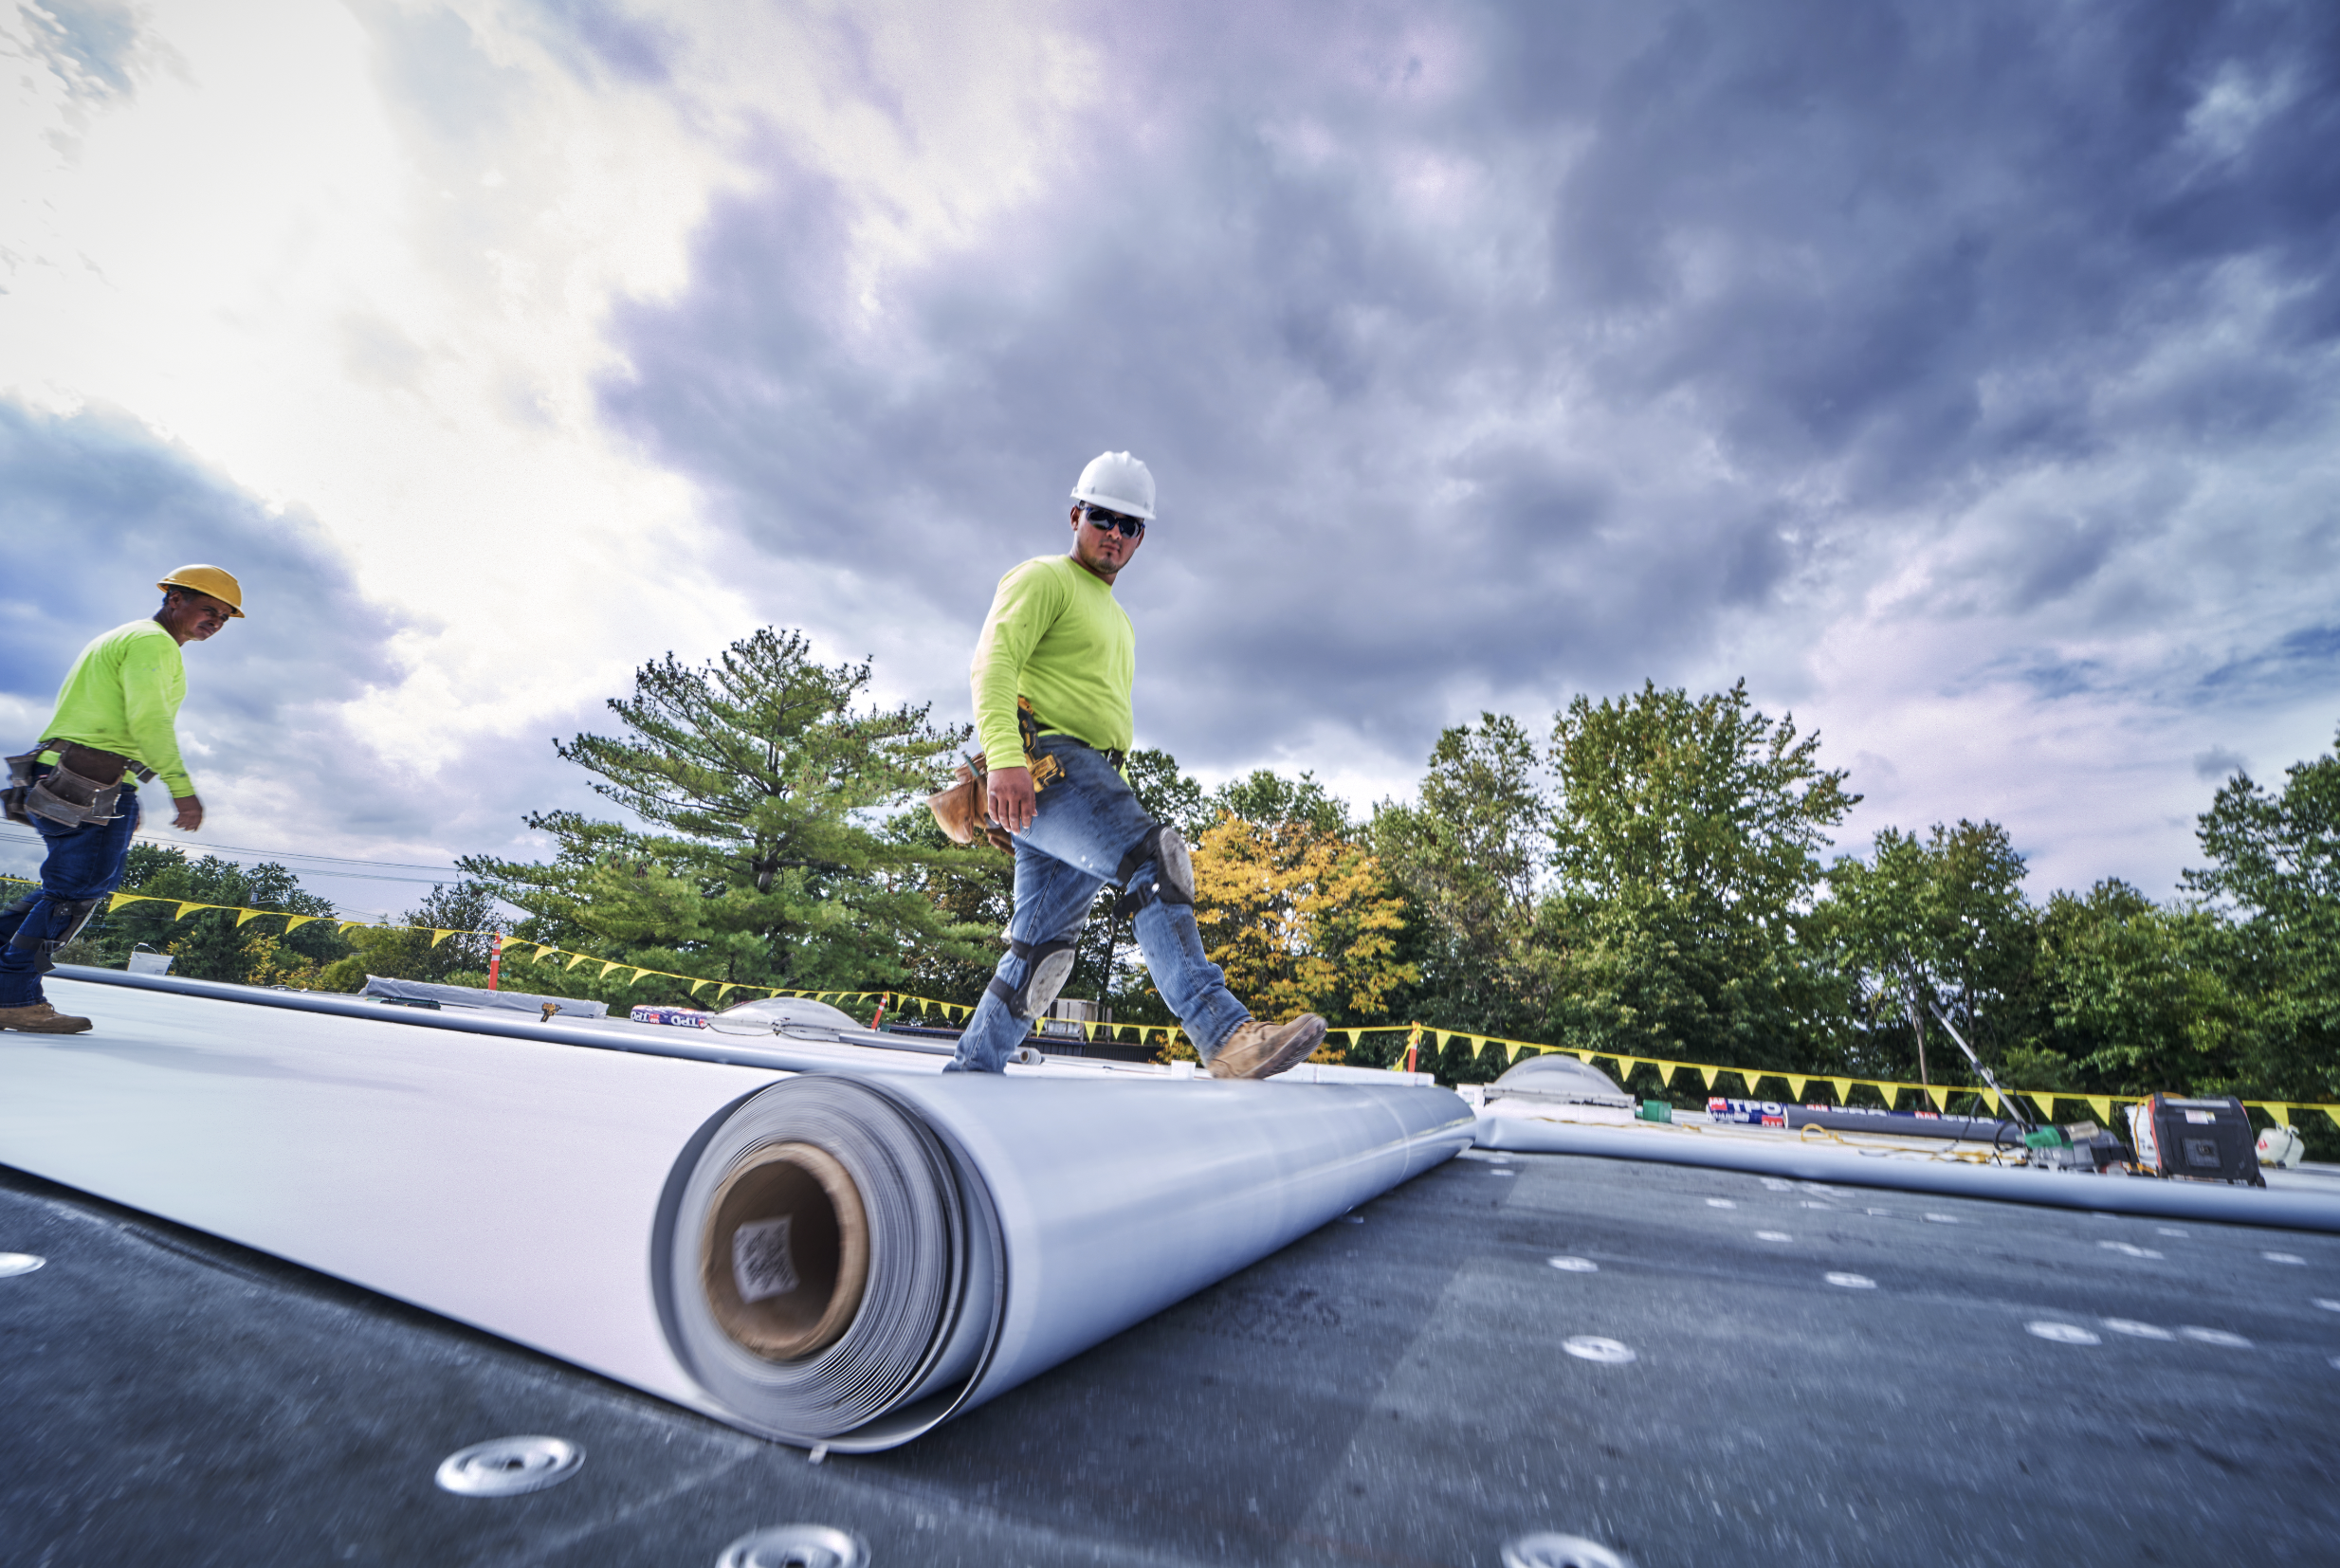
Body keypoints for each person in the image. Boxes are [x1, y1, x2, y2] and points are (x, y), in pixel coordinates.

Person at [944, 452, 1326, 1078]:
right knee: (1153, 862)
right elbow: (993, 664)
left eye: (1131, 526)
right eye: (1103, 518)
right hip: (1051, 765)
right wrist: (1008, 760)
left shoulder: (1115, 615)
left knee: (1038, 954)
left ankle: (970, 1071)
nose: (1115, 534)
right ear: (1075, 515)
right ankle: (1226, 1035)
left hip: (1085, 777)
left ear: (1141, 537)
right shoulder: (1043, 578)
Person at [0, 566, 243, 1033]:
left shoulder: (126, 637)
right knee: (74, 891)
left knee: (70, 887)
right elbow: (149, 722)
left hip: (73, 772)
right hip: (90, 776)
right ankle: (13, 996)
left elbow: (118, 723)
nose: (215, 621)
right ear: (174, 599)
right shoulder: (153, 643)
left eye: (225, 617)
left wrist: (127, 794)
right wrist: (181, 789)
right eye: (208, 609)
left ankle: (8, 981)